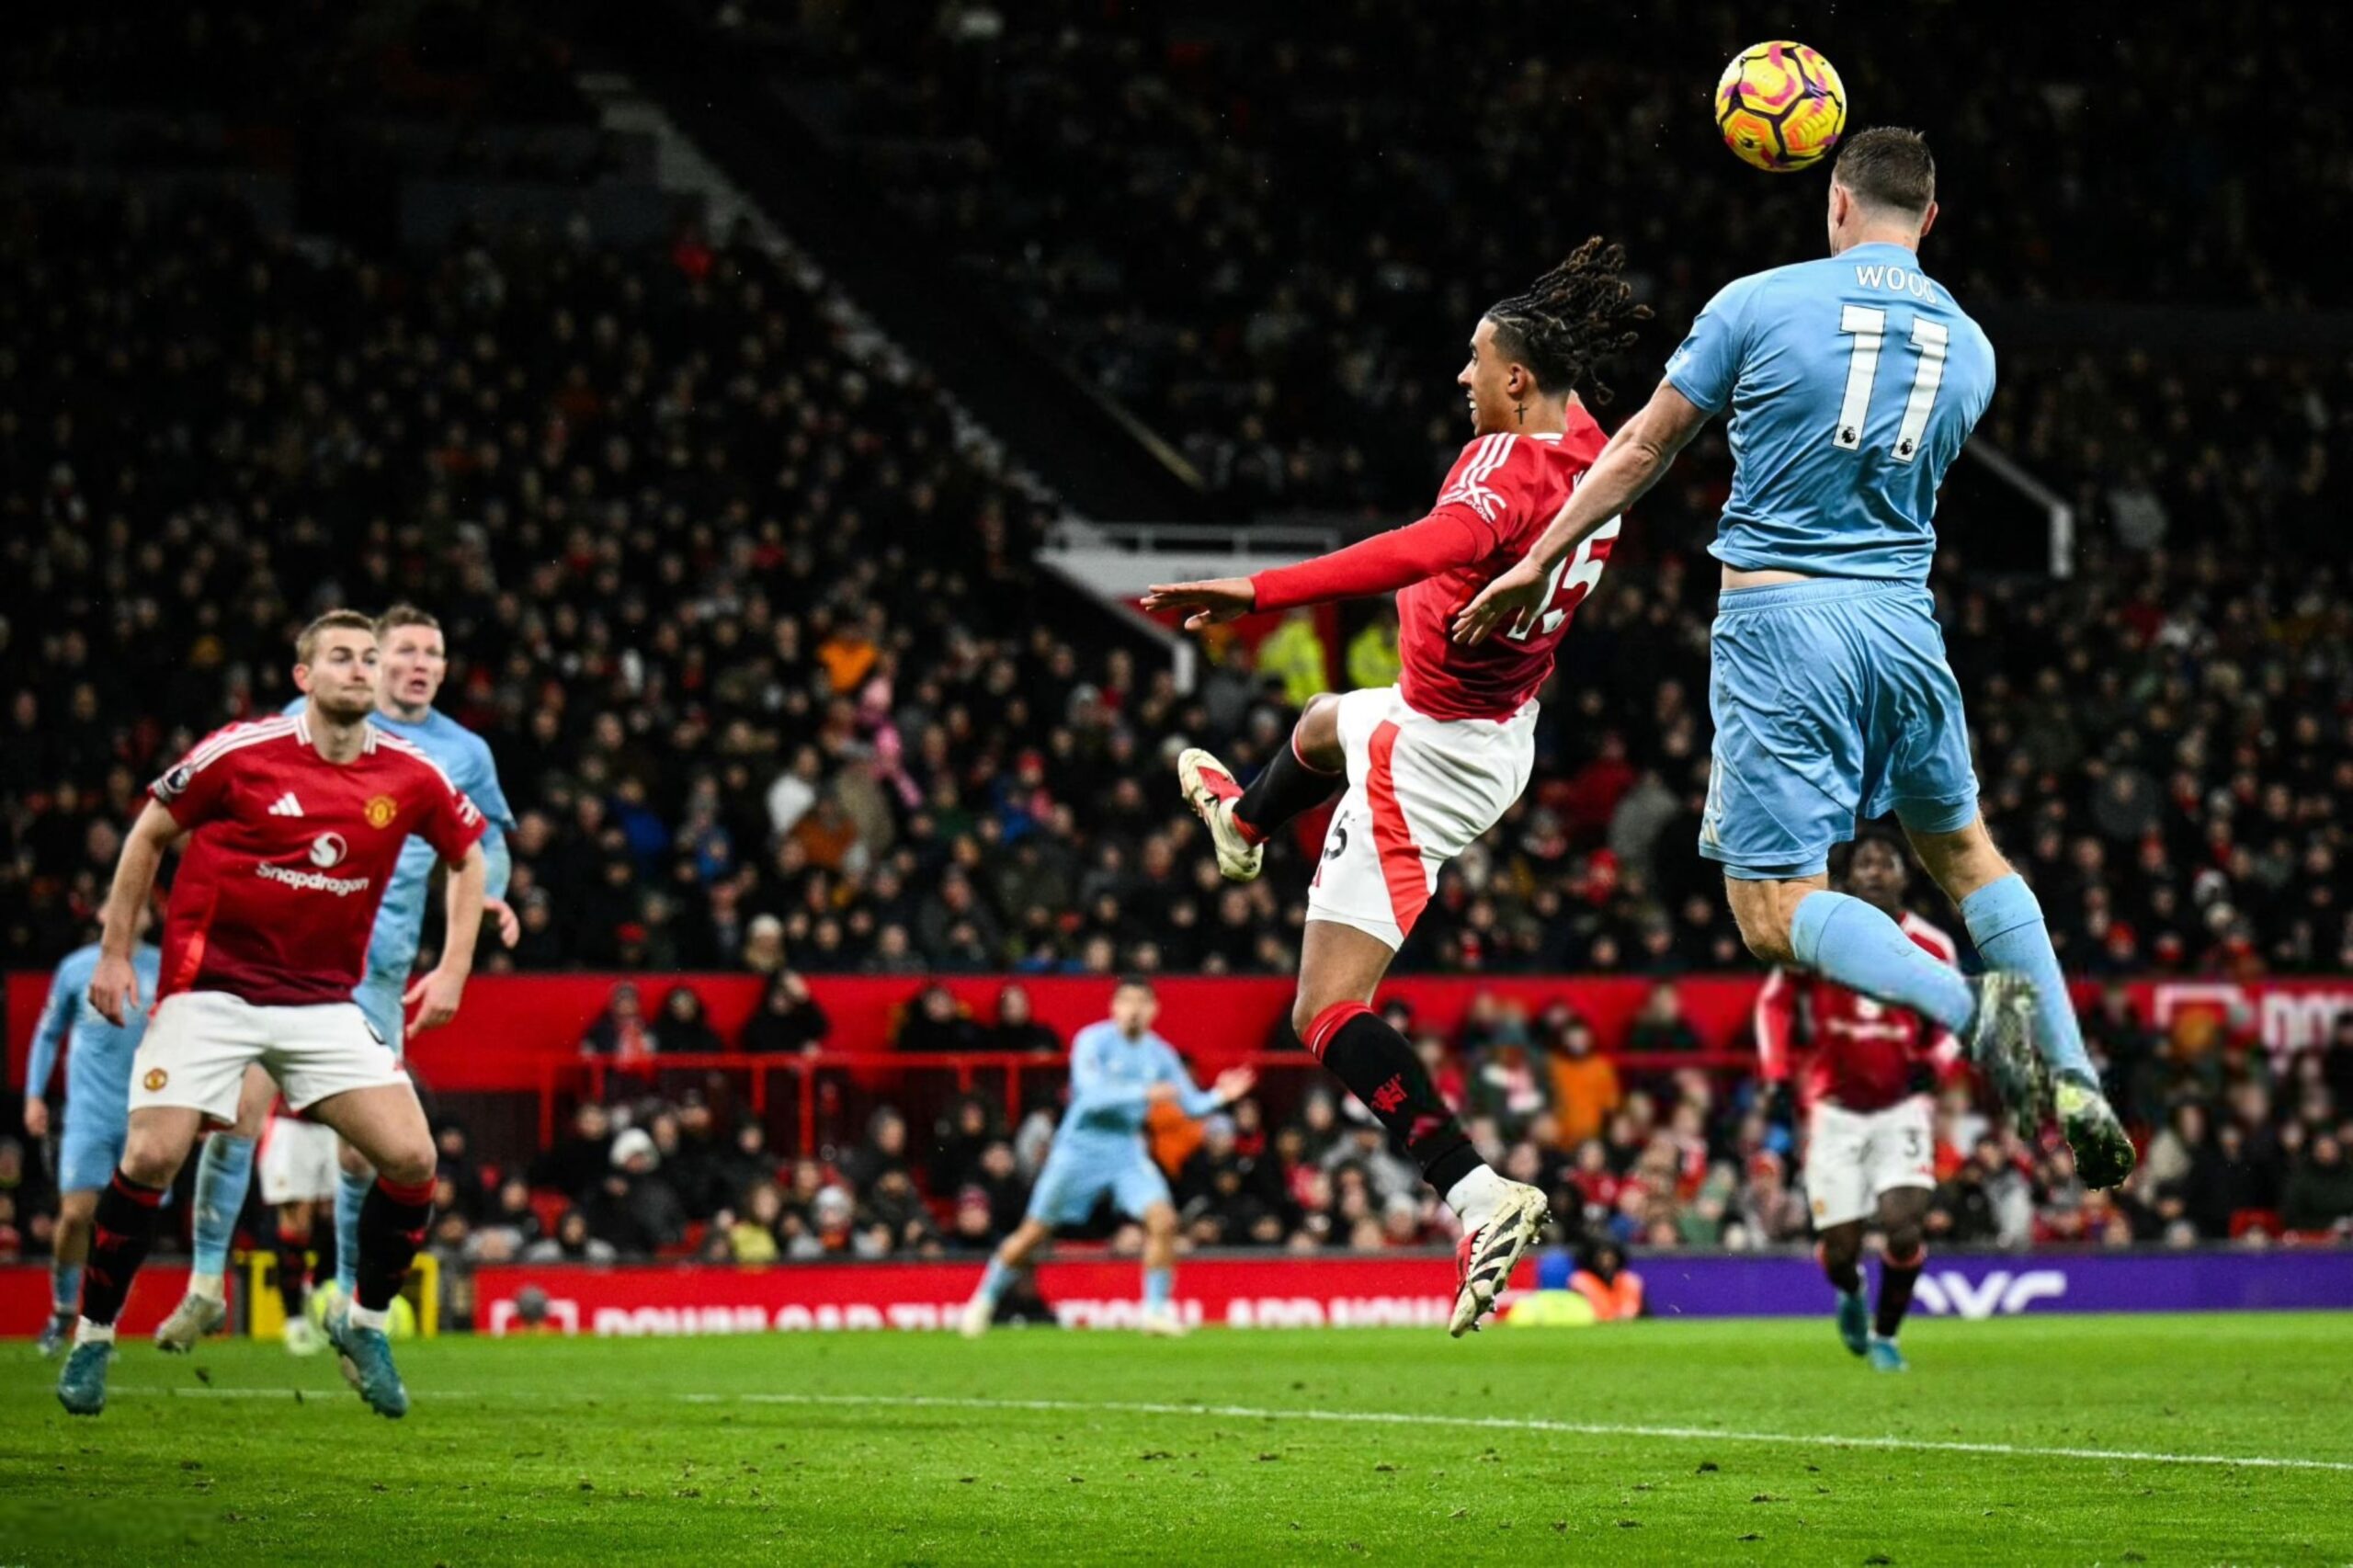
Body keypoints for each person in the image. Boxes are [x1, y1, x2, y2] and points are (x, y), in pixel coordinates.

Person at [1453, 129, 2132, 1191]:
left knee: (1772, 913)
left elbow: (1640, 444)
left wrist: (1542, 558)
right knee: (1966, 856)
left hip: (1784, 623)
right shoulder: (1973, 345)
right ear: (1930, 219)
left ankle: (1975, 1016)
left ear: (1835, 204)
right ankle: (2075, 1065)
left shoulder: (1758, 303)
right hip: (1905, 626)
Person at [1142, 240, 1649, 1335]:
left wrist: (1258, 590)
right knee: (1321, 721)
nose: (1458, 377)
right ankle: (1242, 824)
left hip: (1431, 747)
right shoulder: (1597, 451)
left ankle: (1477, 1191)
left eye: (1473, 360)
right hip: (1497, 722)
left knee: (1322, 1008)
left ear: (1516, 377)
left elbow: (1415, 549)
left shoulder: (1499, 472)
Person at [60, 609, 489, 1418]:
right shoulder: (242, 752)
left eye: (370, 657)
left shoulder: (412, 774)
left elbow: (467, 860)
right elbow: (149, 831)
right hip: (212, 994)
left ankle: (363, 1325)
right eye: (341, 657)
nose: (361, 669)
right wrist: (118, 952)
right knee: (152, 1157)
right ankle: (92, 1337)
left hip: (323, 1005)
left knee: (410, 1157)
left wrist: (453, 968)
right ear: (305, 678)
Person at [159, 605, 517, 1353]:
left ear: (445, 669)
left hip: (378, 974)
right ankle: (203, 1287)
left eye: (434, 652)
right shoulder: (309, 720)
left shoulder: (465, 753)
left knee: (369, 1152)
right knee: (237, 1118)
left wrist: (489, 896)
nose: (418, 663)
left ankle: (351, 1305)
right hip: (283, 961)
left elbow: (486, 845)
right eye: (405, 650)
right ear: (376, 659)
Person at [1756, 835, 1958, 1372]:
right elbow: (1774, 1004)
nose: (1874, 871)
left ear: (1901, 875)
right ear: (1848, 878)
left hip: (1900, 1108)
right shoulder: (1820, 937)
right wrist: (1777, 1074)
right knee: (1842, 1251)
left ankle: (1886, 1334)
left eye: (1884, 862)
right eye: (1863, 863)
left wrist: (1933, 1063)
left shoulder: (1931, 944)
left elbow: (1955, 1015)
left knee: (1904, 1224)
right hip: (1835, 1111)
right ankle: (1849, 1290)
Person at [960, 978, 1253, 1337]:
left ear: (1153, 1010)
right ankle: (983, 1300)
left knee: (1163, 1221)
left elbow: (1189, 1104)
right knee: (1035, 1232)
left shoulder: (1159, 1053)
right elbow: (1091, 1096)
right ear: (1114, 1008)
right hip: (1079, 1148)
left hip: (1125, 1149)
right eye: (1126, 1002)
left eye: (1141, 1003)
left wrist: (1219, 1097)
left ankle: (1155, 1311)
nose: (1134, 1010)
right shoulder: (1092, 1041)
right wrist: (1145, 1092)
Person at [21, 907, 162, 1358]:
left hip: (147, 1113)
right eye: (124, 899)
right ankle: (63, 1310)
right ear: (106, 912)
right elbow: (47, 1034)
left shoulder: (165, 965)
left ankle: (100, 1324)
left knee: (127, 1225)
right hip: (89, 1115)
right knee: (78, 1215)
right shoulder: (77, 968)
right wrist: (34, 1095)